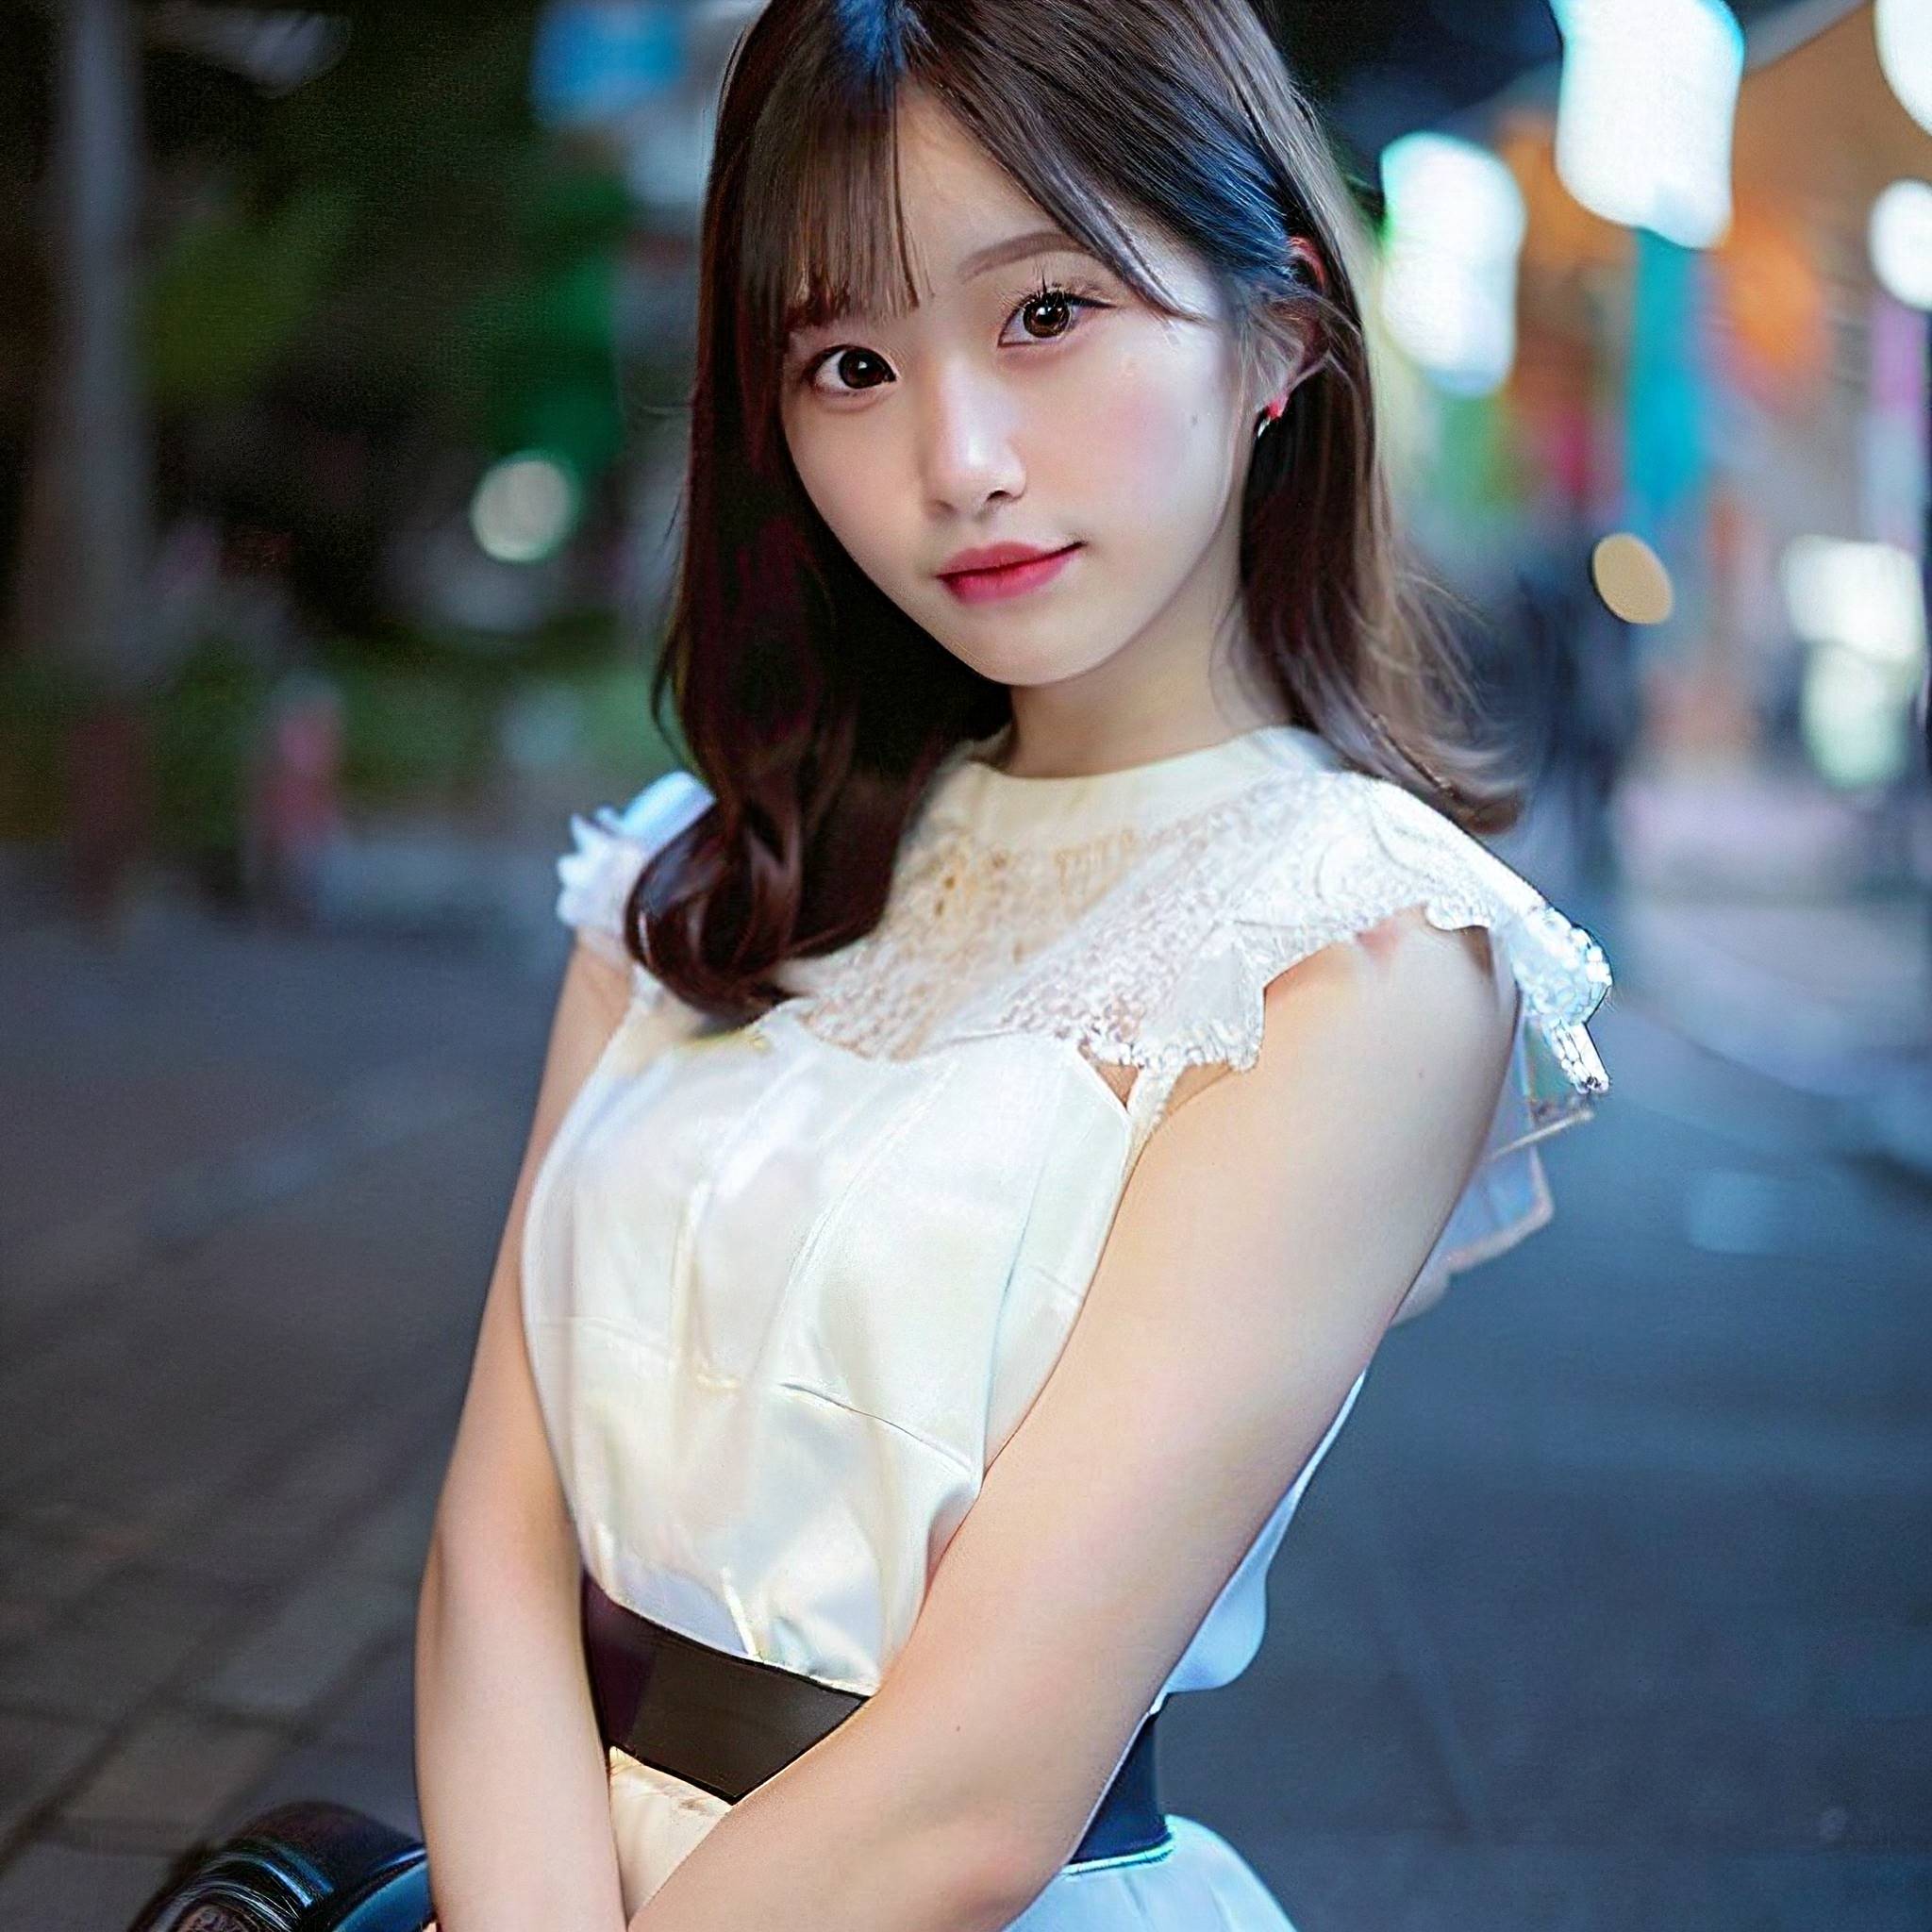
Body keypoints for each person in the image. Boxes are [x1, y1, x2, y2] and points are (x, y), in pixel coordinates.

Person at [411, 2, 1614, 1928]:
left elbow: (970, 1801)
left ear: (1278, 335)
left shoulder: (1360, 944)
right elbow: (495, 1554)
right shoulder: (694, 870)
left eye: (1045, 312)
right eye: (850, 362)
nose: (954, 459)